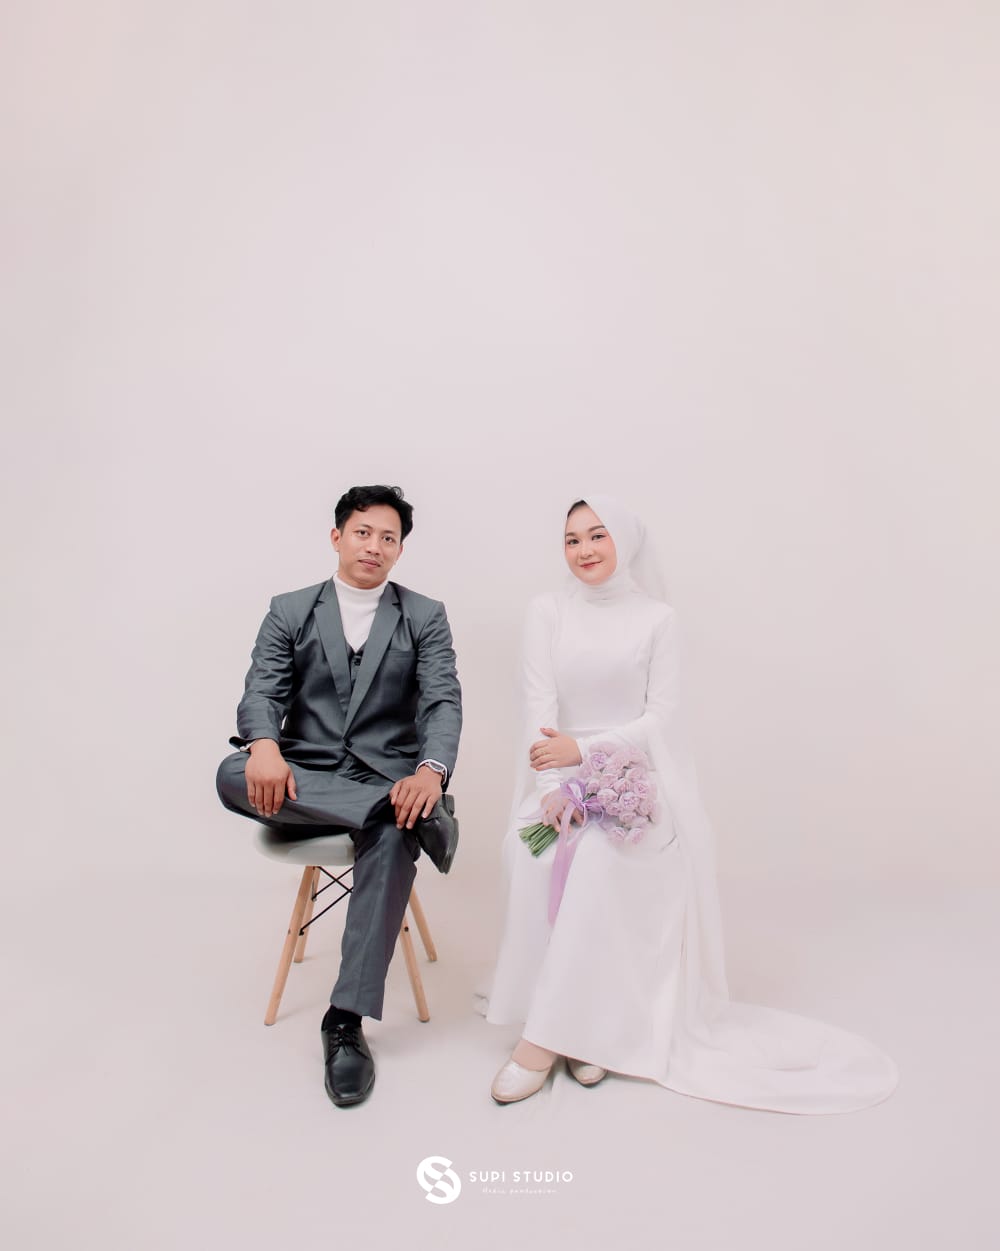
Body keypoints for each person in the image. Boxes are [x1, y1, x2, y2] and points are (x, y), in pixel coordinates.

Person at [486, 494, 897, 1111]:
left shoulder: (658, 620)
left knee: (599, 861)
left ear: (625, 541)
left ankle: (543, 1043)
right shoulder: (547, 612)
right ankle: (586, 1029)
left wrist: (588, 752)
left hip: (635, 786)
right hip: (560, 783)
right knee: (533, 852)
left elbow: (662, 720)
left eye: (597, 535)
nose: (584, 550)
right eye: (572, 540)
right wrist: (554, 792)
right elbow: (538, 710)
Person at [216, 485, 462, 1109]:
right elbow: (262, 691)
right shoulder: (290, 609)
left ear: (400, 549)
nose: (374, 546)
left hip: (389, 776)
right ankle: (402, 815)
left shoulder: (424, 615)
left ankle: (345, 1022)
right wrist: (263, 745)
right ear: (337, 537)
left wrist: (430, 772)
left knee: (393, 833)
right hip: (305, 778)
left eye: (388, 537)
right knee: (231, 773)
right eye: (362, 532)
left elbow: (441, 701)